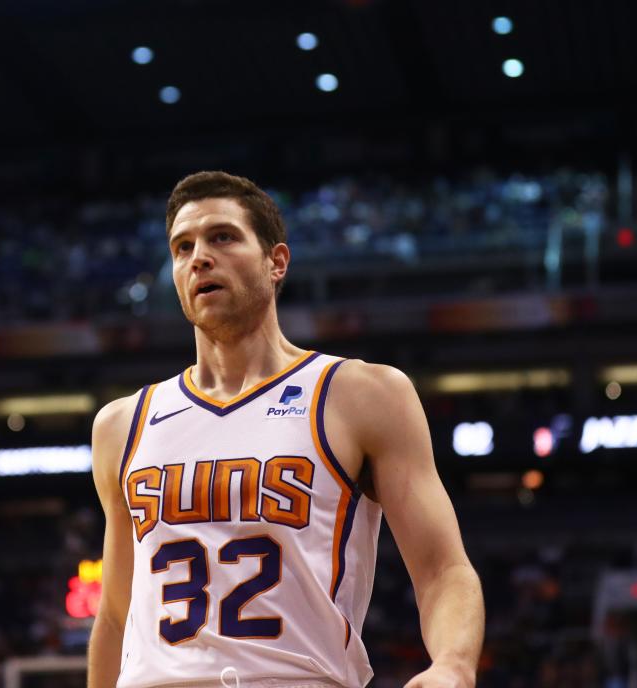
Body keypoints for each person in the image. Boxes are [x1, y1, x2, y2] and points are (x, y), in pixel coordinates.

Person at [88, 171, 484, 687]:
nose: (199, 257)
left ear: (277, 262)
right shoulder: (122, 423)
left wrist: (453, 664)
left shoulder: (361, 395)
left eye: (222, 237)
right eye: (182, 247)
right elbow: (116, 614)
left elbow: (443, 570)